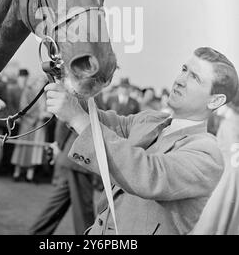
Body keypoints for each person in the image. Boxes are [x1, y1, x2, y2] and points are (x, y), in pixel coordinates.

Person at [44, 47, 238, 235]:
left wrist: (77, 118)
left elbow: (149, 174)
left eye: (194, 77)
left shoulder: (208, 153)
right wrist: (70, 81)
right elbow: (103, 123)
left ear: (215, 101)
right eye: (184, 70)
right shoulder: (151, 119)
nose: (180, 80)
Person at [29, 119, 95, 235]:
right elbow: (64, 121)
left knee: (58, 205)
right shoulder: (83, 99)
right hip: (77, 160)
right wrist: (58, 149)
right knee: (84, 212)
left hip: (75, 159)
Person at [192, 89, 239, 234]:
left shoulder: (229, 125)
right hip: (232, 180)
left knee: (212, 221)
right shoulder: (233, 123)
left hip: (226, 179)